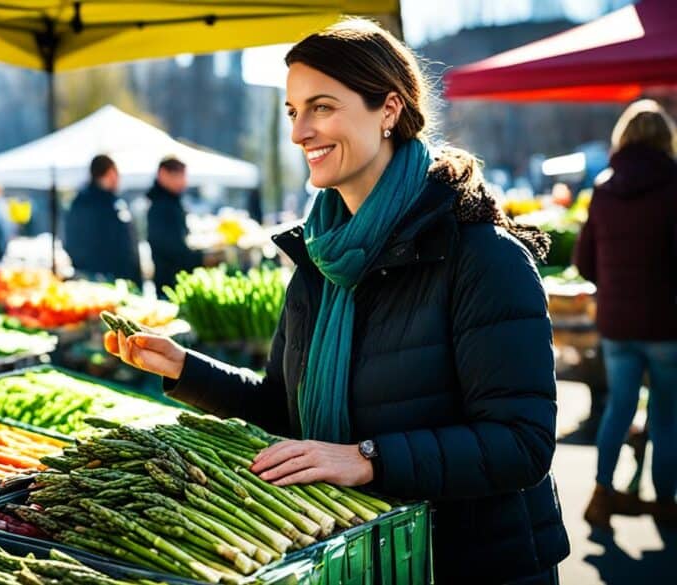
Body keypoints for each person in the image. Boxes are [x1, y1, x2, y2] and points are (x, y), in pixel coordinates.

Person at [105, 19, 568, 585]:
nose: (300, 133)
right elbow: (285, 411)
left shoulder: (482, 256)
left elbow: (521, 442)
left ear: (389, 109)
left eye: (321, 107)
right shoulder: (319, 259)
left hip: (472, 565)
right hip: (364, 562)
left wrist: (367, 457)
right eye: (293, 112)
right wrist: (187, 370)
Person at [575, 99, 677, 528]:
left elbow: (584, 261)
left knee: (619, 406)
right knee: (667, 414)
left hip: (616, 323)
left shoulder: (603, 187)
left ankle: (602, 493)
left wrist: (614, 285)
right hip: (666, 324)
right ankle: (665, 503)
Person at [64, 155, 141, 284]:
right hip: (100, 277)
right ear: (108, 173)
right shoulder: (86, 202)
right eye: (115, 173)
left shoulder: (114, 201)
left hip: (119, 277)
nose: (118, 179)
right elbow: (76, 242)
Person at [146, 157, 204, 293]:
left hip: (179, 279)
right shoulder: (160, 205)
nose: (184, 182)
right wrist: (202, 258)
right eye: (179, 176)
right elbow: (169, 247)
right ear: (163, 174)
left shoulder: (172, 201)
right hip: (169, 282)